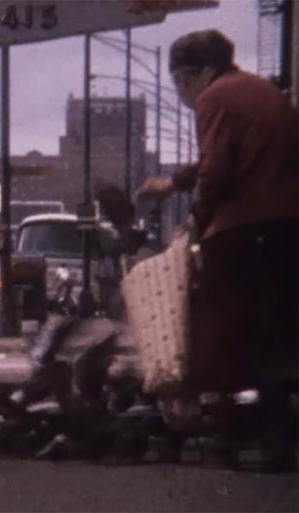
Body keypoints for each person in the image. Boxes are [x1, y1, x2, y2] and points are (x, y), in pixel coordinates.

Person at [137, 29, 298, 390]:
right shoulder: (260, 91)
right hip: (287, 224)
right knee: (273, 329)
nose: (181, 96)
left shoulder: (214, 98)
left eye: (178, 85)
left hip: (246, 227)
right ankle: (273, 417)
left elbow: (217, 170)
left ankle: (227, 416)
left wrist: (196, 219)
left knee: (220, 324)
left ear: (189, 76)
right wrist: (173, 183)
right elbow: (232, 156)